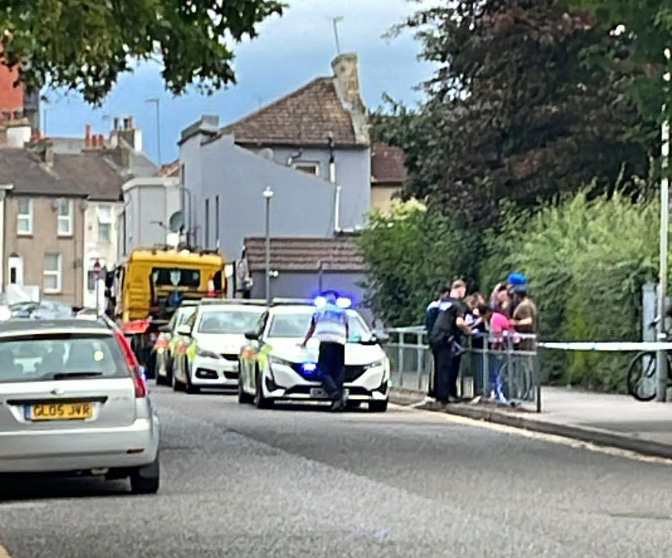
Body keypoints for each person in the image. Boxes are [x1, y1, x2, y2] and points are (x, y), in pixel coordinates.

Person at [301, 290, 350, 412]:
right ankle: (338, 401)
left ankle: (335, 395)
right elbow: (347, 328)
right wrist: (346, 341)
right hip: (339, 343)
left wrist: (304, 342)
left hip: (325, 343)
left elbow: (312, 328)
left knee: (323, 371)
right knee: (338, 372)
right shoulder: (342, 312)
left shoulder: (319, 311)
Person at [429, 280, 471, 403]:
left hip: (435, 336)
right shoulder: (458, 305)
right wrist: (467, 330)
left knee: (438, 367)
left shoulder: (443, 302)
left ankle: (437, 394)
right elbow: (459, 322)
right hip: (445, 337)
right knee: (446, 367)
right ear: (460, 290)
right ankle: (444, 397)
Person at [425, 285, 451, 402]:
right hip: (442, 340)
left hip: (433, 340)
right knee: (443, 367)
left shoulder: (432, 306)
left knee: (436, 367)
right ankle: (442, 394)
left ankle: (434, 391)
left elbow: (429, 325)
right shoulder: (443, 308)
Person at [510, 283, 538, 351]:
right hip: (529, 338)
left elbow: (529, 320)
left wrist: (515, 323)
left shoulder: (524, 306)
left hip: (526, 340)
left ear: (517, 295)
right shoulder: (530, 303)